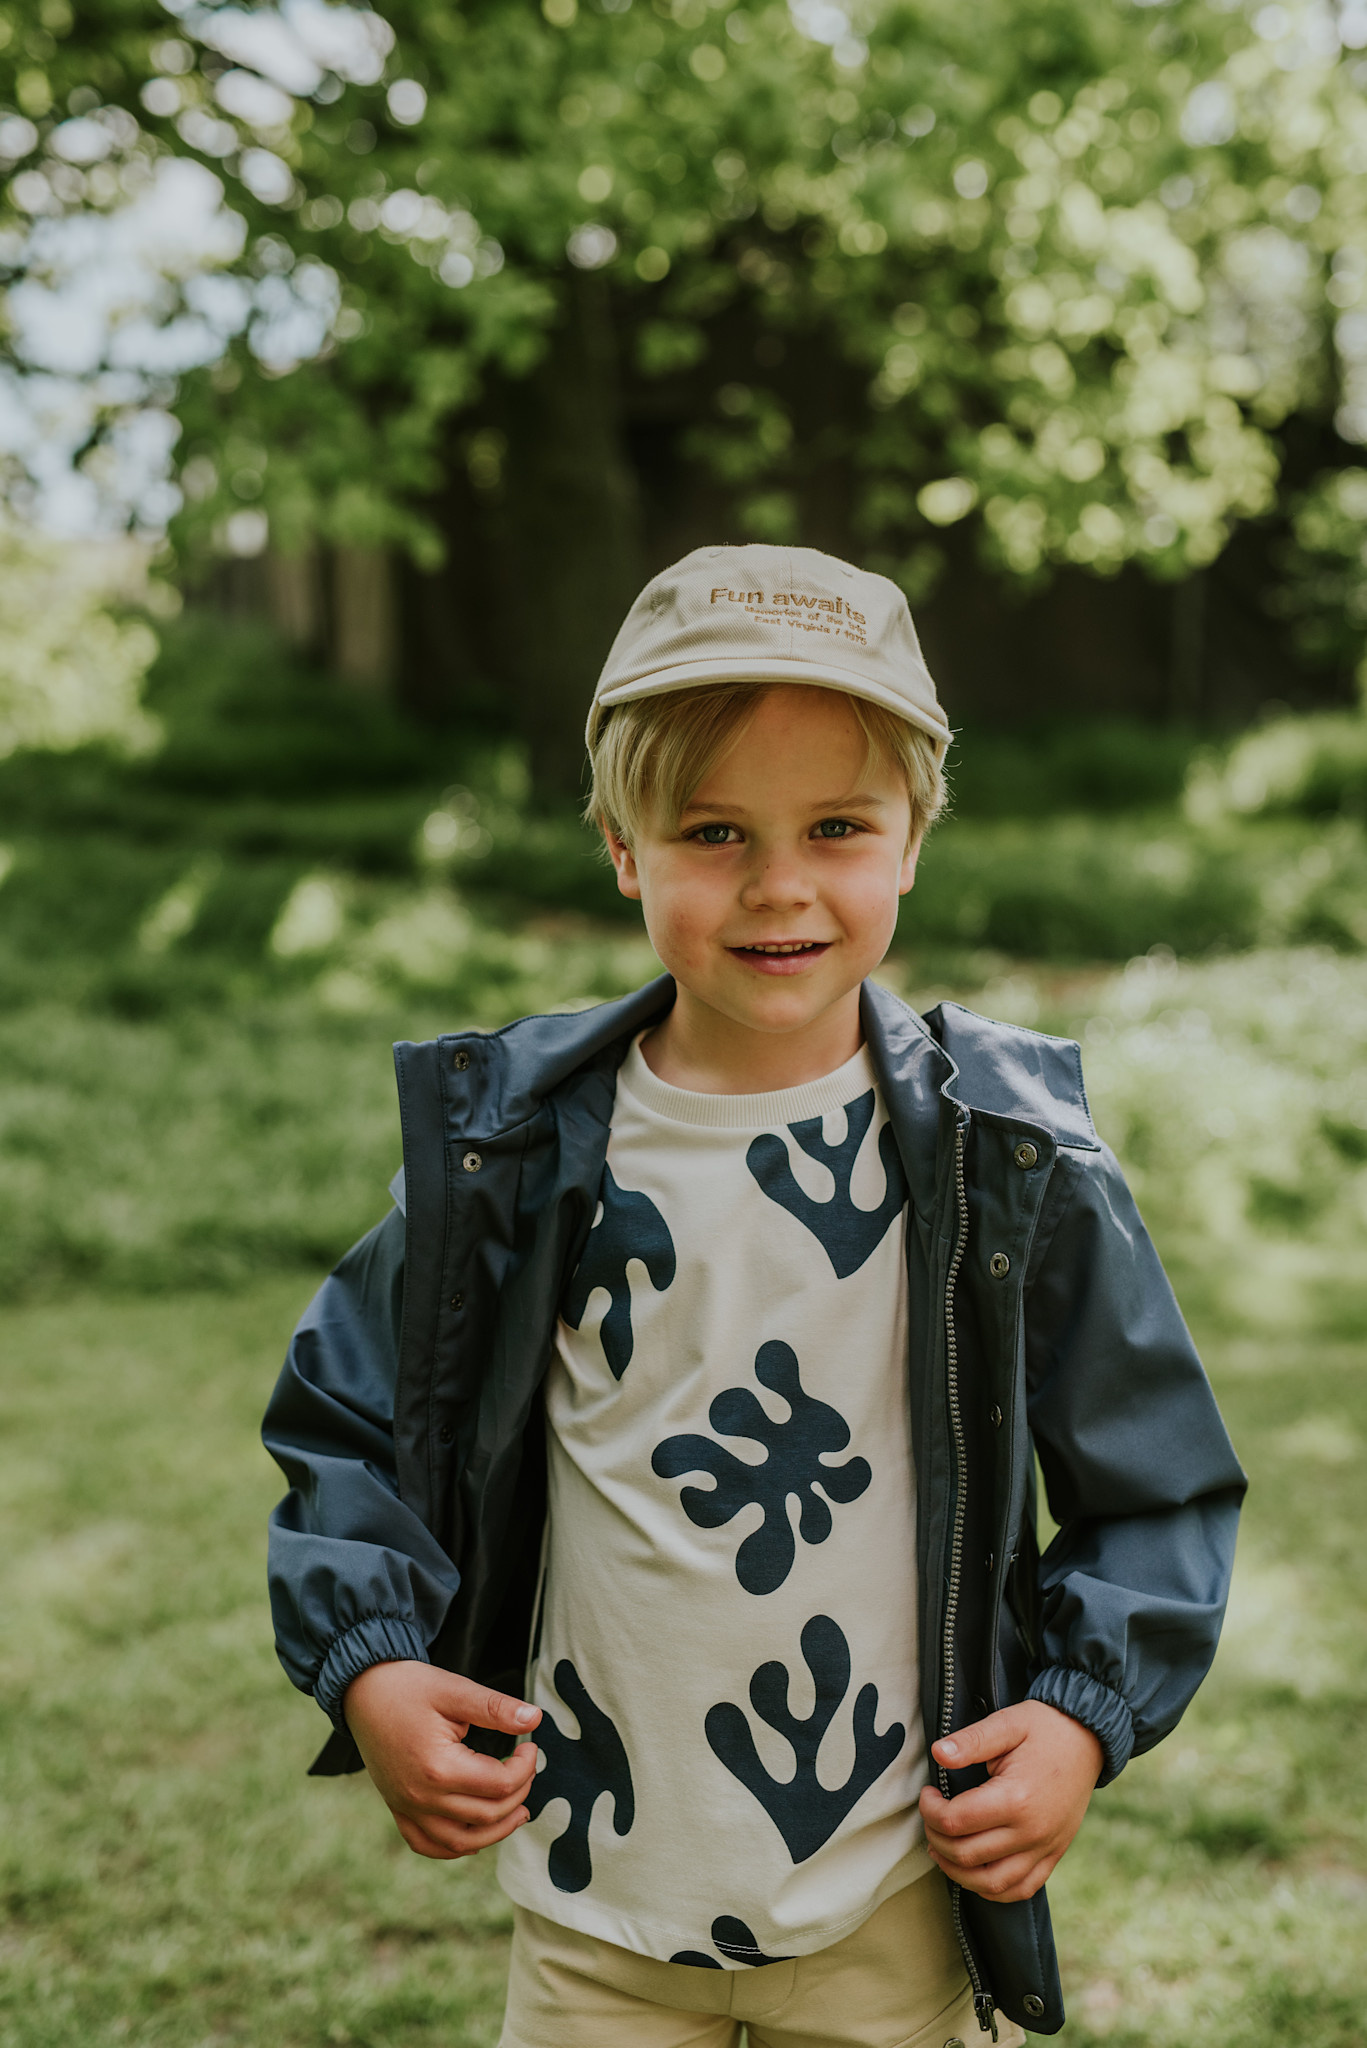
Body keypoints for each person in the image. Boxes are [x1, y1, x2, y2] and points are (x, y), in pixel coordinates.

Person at [263, 544, 1246, 2048]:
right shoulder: (513, 1157)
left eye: (837, 826)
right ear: (622, 847)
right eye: (713, 830)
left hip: (889, 1899)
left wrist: (1077, 1715)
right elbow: (344, 1416)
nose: (779, 884)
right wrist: (372, 1664)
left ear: (912, 841)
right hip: (594, 1905)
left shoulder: (1008, 1162)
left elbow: (1156, 1482)